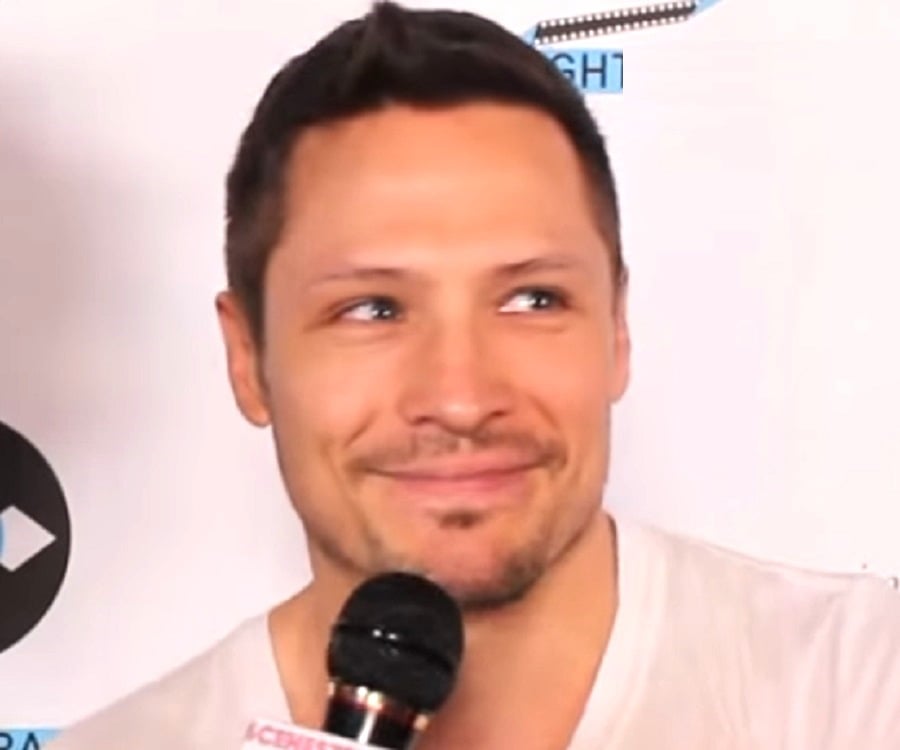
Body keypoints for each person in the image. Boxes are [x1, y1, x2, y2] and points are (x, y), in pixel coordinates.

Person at [51, 2, 900, 748]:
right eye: (373, 310)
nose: (460, 399)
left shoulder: (860, 687)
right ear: (249, 361)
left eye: (533, 299)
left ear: (616, 330)